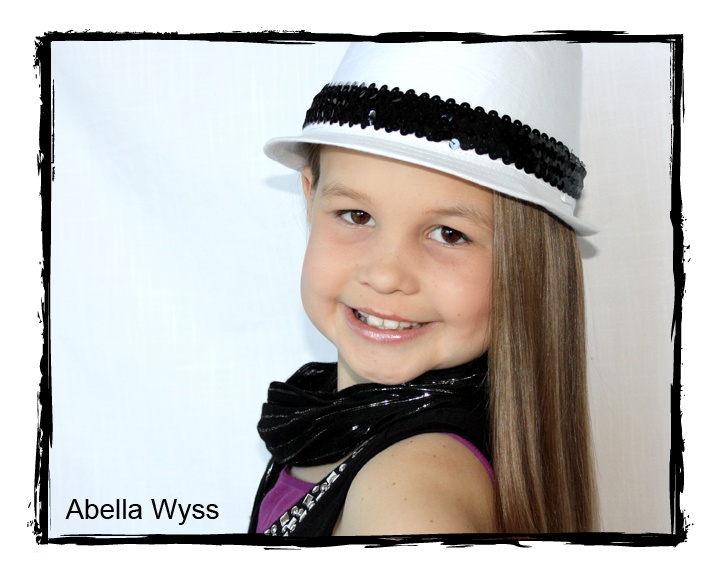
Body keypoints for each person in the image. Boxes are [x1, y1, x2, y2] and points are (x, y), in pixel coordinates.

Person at [248, 42, 597, 536]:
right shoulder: (333, 430)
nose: (386, 275)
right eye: (357, 215)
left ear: (528, 264)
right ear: (311, 195)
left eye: (449, 234)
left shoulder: (407, 499)